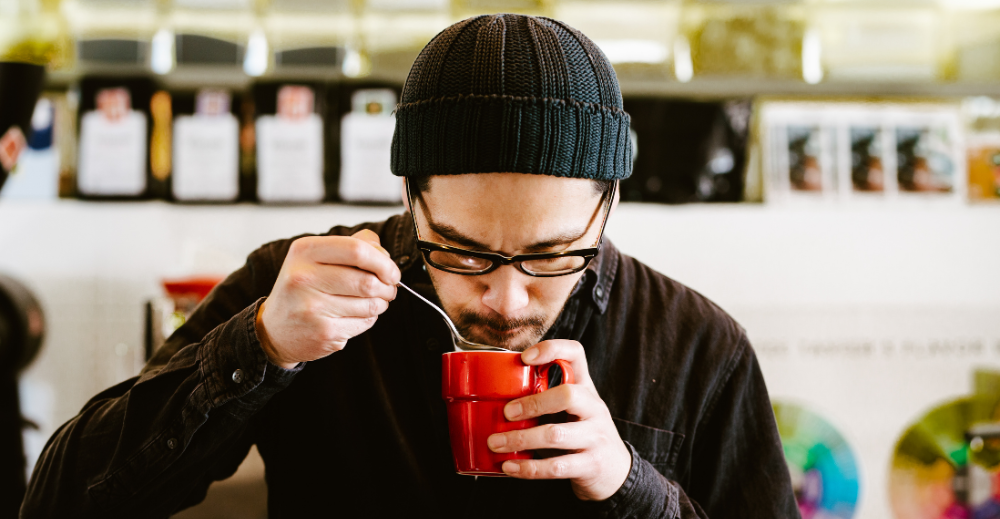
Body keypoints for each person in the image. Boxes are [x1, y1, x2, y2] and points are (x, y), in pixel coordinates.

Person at [21, 13, 798, 519]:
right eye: (462, 251)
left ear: (609, 205)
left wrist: (630, 485)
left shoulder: (698, 344)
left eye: (551, 255)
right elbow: (58, 500)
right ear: (409, 198)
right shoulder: (301, 288)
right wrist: (256, 345)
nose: (505, 295)